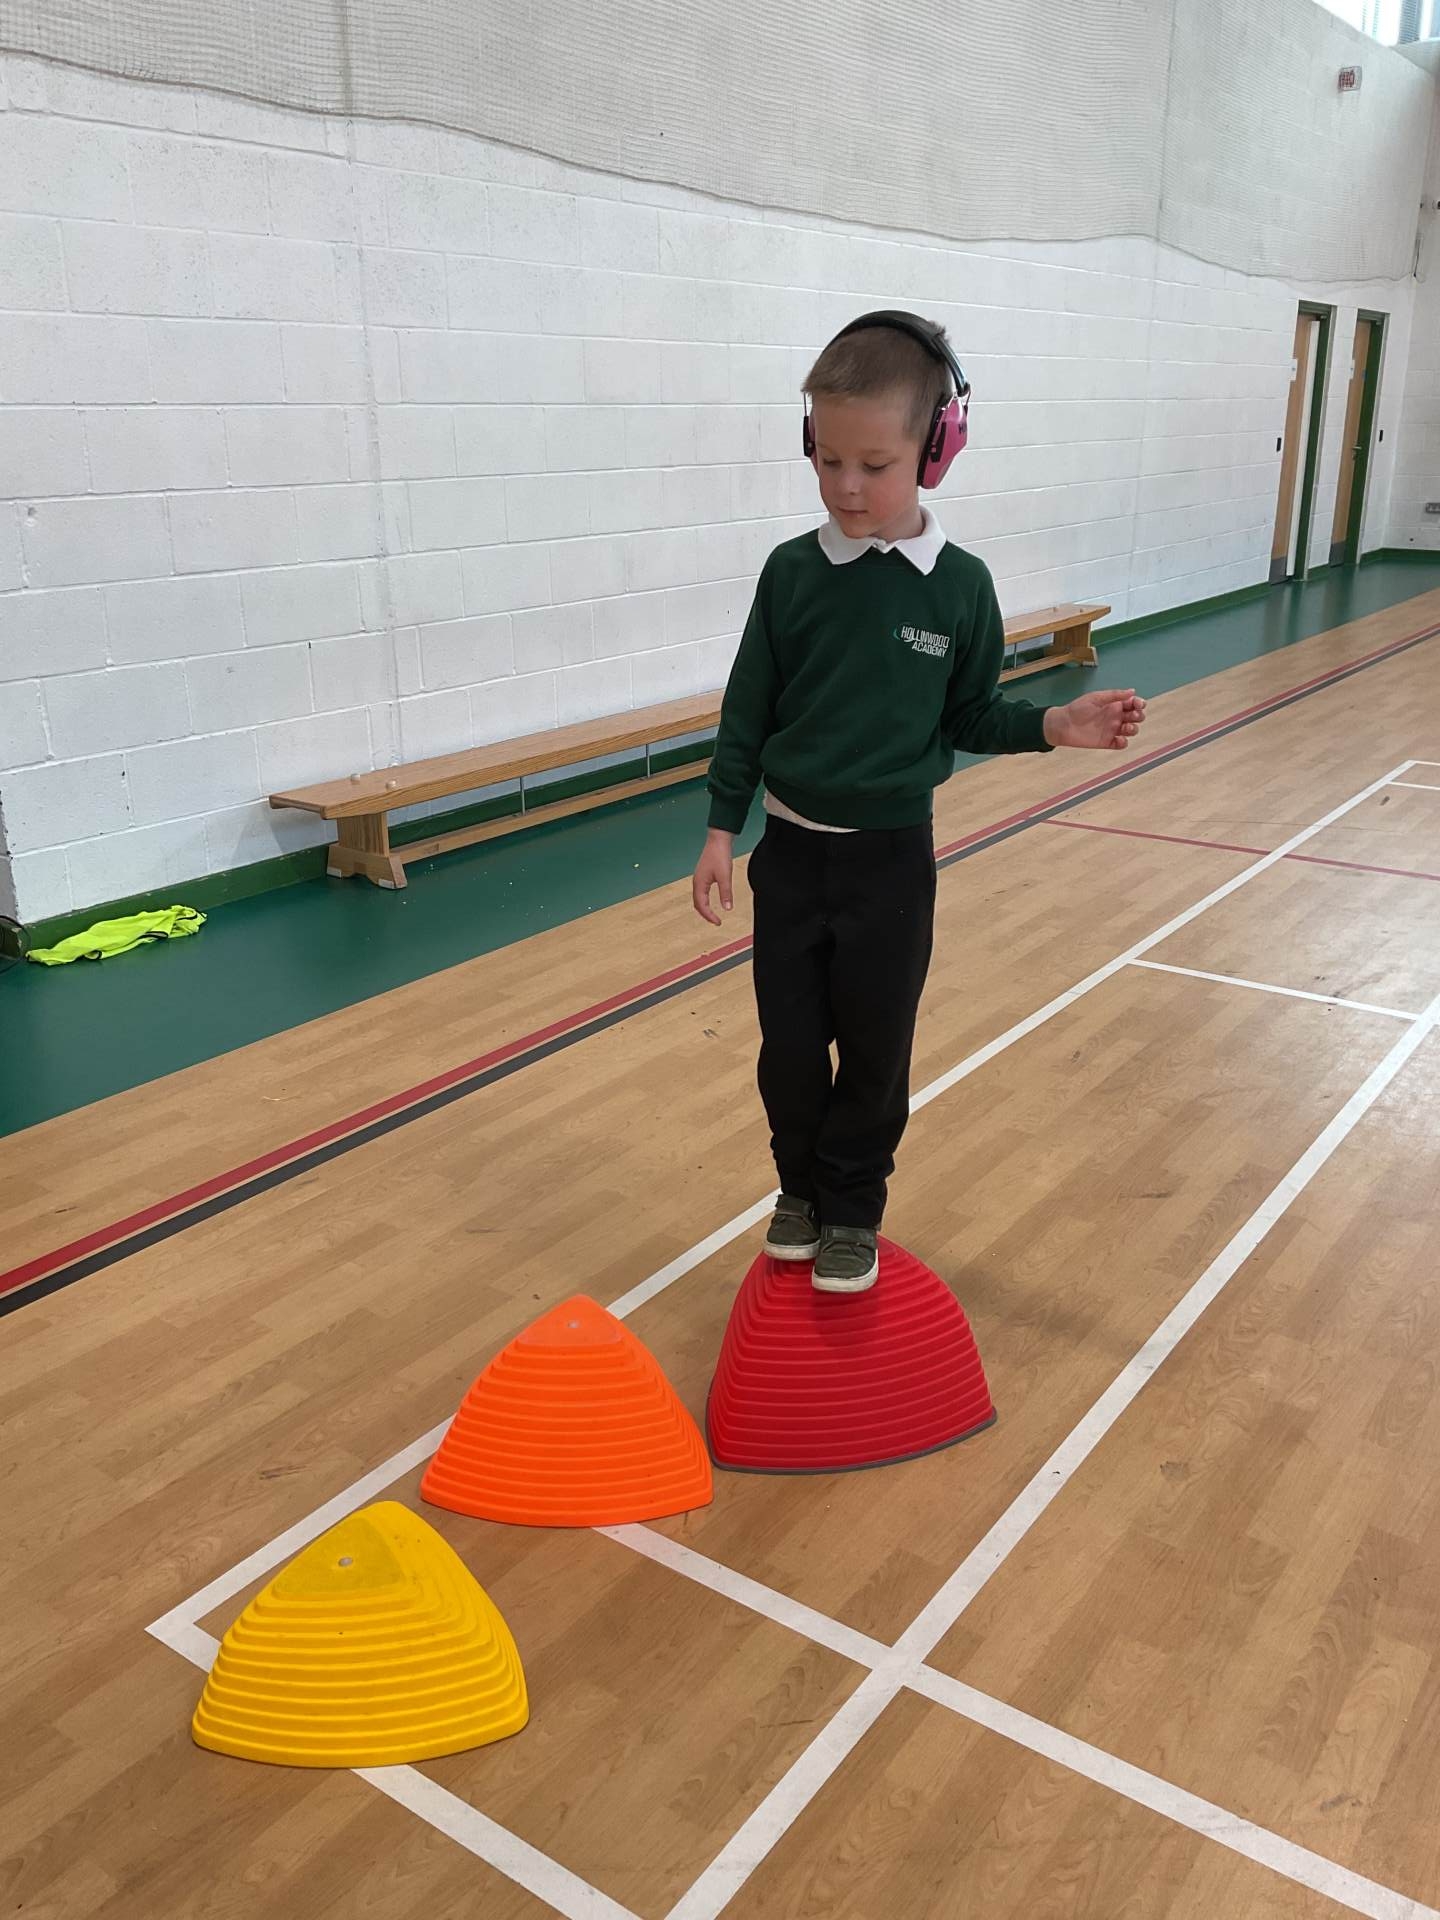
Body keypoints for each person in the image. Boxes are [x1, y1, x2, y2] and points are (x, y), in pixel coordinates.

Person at [691, 310, 1146, 1293]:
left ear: (937, 451)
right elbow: (748, 708)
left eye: (876, 465)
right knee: (789, 1049)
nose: (847, 487)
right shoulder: (791, 574)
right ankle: (799, 1191)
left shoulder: (960, 588)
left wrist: (1052, 725)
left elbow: (971, 712)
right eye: (828, 461)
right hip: (791, 859)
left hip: (891, 863)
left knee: (876, 1048)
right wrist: (724, 827)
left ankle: (853, 1207)